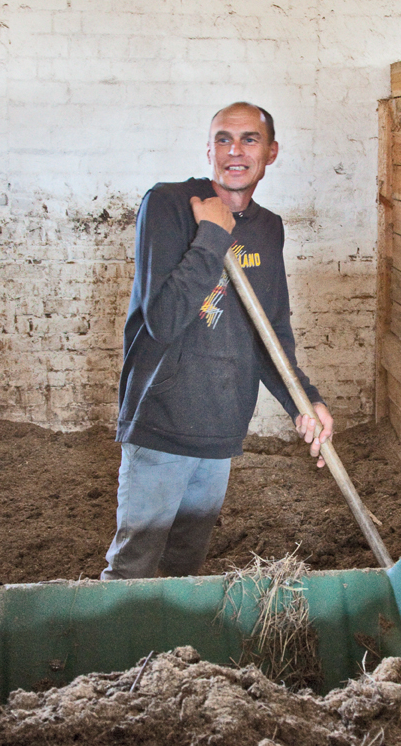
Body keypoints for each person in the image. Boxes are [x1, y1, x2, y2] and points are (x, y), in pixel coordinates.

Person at [102, 102, 333, 580]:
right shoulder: (168, 205)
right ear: (209, 150)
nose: (235, 151)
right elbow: (163, 320)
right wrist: (211, 234)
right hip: (162, 422)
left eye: (249, 139)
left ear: (271, 152)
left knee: (186, 567)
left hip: (222, 427)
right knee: (133, 568)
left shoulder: (268, 229)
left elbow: (270, 330)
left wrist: (304, 400)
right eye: (223, 139)